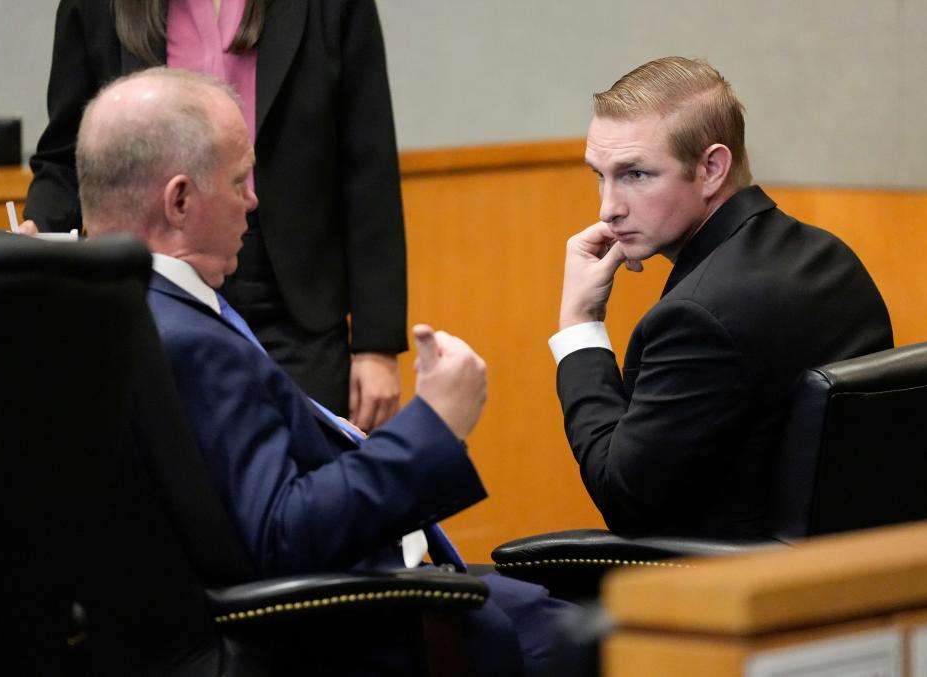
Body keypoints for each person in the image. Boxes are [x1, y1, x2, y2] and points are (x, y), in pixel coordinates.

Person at [76, 66, 570, 677]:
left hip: (299, 614)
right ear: (179, 200)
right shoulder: (188, 342)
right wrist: (436, 426)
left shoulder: (91, 316)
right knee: (604, 630)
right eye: (238, 181)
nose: (253, 202)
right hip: (352, 627)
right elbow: (283, 537)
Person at [23, 0, 405, 430]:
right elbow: (66, 157)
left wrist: (376, 347)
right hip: (154, 291)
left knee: (307, 474)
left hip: (295, 306)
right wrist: (39, 233)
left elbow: (368, 167)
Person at [552, 56, 893, 538]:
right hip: (846, 577)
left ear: (712, 168)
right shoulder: (830, 257)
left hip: (729, 596)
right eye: (599, 175)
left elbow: (625, 500)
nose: (609, 208)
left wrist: (579, 326)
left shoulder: (697, 317)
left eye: (636, 174)